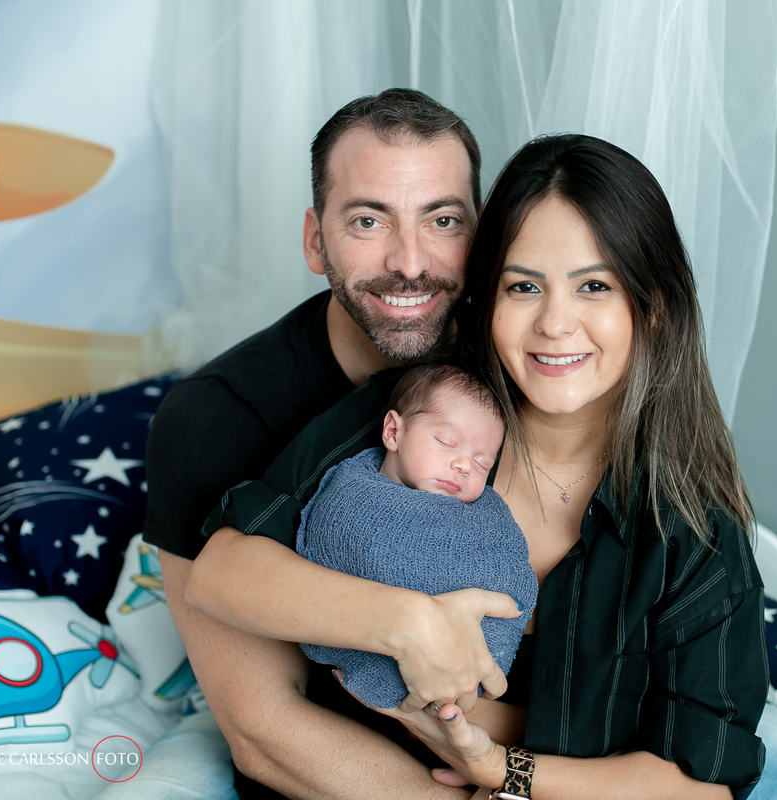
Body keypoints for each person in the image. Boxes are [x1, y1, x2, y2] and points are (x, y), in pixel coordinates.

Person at [187, 134, 772, 799]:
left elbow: (703, 785)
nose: (555, 323)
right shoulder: (425, 412)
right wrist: (408, 624)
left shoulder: (694, 536)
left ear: (653, 307)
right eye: (524, 286)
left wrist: (500, 768)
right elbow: (222, 573)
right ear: (488, 301)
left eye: (594, 286)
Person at [141, 88, 514, 799]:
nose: (411, 262)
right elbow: (264, 728)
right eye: (368, 220)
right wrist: (406, 624)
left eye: (442, 220)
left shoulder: (521, 365)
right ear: (316, 240)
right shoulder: (213, 419)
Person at [295, 362, 537, 710]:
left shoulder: (483, 517)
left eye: (482, 463)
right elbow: (334, 546)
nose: (464, 466)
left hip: (464, 689)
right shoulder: (354, 497)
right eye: (446, 442)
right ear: (393, 431)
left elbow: (508, 572)